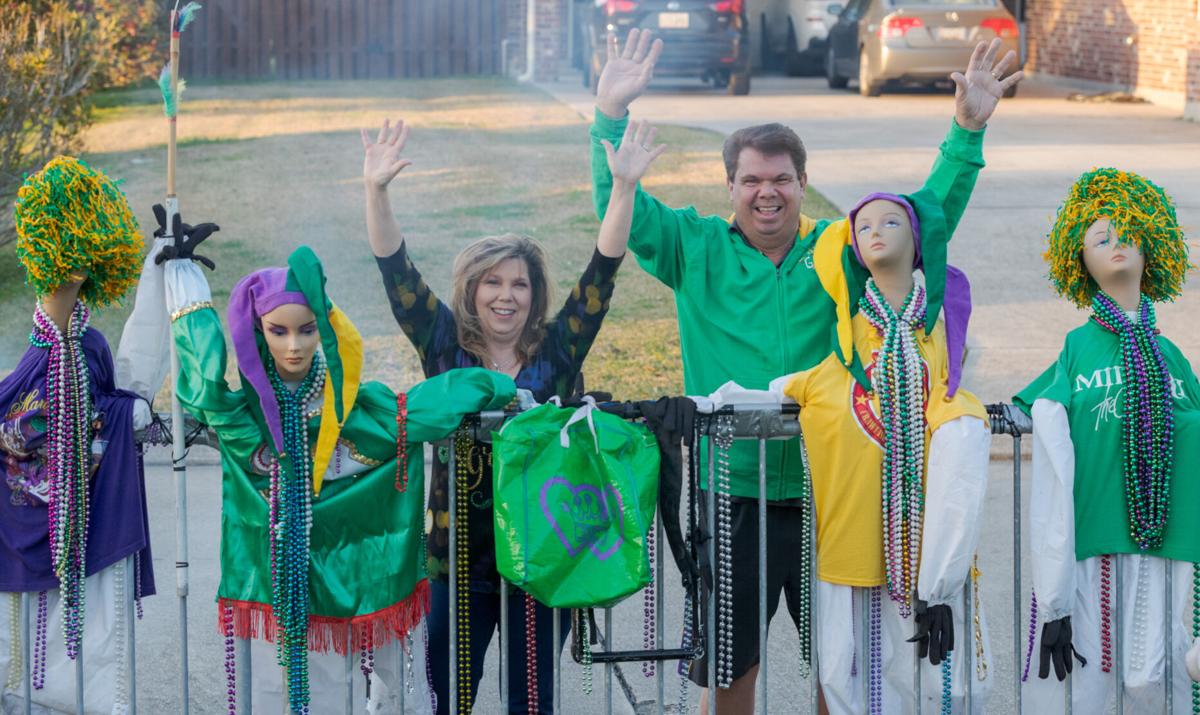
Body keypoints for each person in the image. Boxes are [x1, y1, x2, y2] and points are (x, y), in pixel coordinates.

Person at [590, 28, 1021, 714]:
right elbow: (621, 208)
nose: (768, 193)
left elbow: (922, 221)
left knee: (842, 670)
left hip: (834, 492)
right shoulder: (693, 247)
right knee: (731, 674)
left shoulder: (838, 248)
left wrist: (965, 133)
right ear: (730, 185)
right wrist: (608, 119)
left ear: (803, 183)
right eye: (752, 180)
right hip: (732, 496)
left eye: (781, 179)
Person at [363, 116, 662, 713]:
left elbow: (602, 272)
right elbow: (398, 275)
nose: (506, 295)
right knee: (448, 700)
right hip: (458, 562)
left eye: (519, 284)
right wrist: (376, 191)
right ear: (472, 290)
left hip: (542, 558)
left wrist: (624, 187)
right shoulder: (445, 348)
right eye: (492, 283)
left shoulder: (558, 349)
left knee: (533, 702)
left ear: (535, 294)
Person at [160, 230, 516, 713]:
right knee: (267, 695)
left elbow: (427, 406)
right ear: (255, 329)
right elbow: (202, 388)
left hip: (344, 589)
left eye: (307, 330)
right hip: (266, 585)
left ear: (325, 327)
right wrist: (188, 292)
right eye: (278, 330)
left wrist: (499, 388)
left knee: (338, 697)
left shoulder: (355, 408)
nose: (293, 346)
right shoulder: (243, 415)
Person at [782, 191, 991, 713]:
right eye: (865, 224)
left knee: (934, 685)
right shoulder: (845, 341)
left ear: (917, 240)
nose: (875, 231)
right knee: (855, 685)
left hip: (929, 550)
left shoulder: (940, 336)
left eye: (891, 221)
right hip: (852, 543)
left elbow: (954, 409)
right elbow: (802, 386)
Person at [1015, 168, 1199, 712]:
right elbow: (1030, 411)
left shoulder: (1172, 358)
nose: (1116, 244)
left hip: (1173, 555)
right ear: (1080, 261)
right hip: (1096, 548)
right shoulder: (1077, 348)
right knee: (1090, 690)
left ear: (1153, 246)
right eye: (1100, 238)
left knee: (1162, 691)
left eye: (1127, 233)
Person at [0, 156, 158, 714]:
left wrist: (160, 278)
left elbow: (113, 396)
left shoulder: (88, 347)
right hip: (27, 546)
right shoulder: (36, 362)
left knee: (88, 666)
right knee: (23, 670)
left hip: (87, 538)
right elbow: (20, 426)